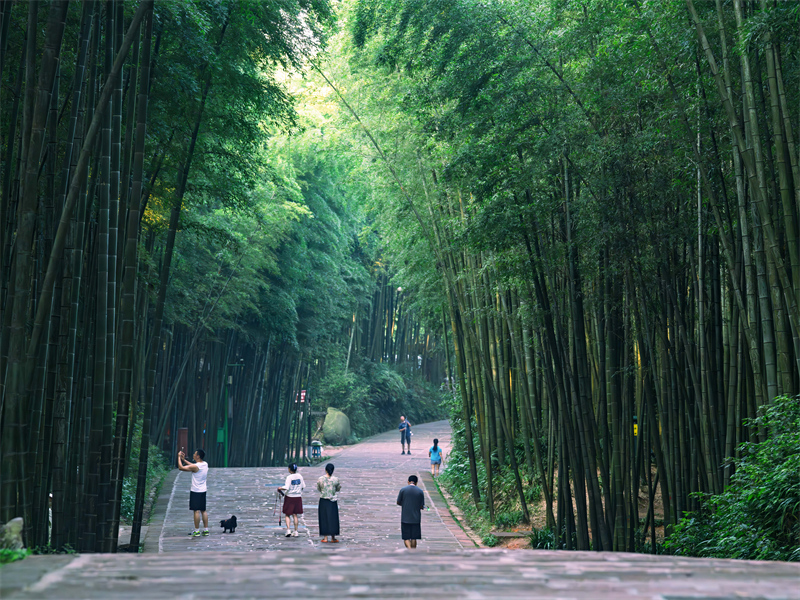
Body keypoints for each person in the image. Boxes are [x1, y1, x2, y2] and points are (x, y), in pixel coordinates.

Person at [178, 449, 209, 537]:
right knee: (203, 510)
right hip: (203, 490)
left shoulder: (196, 466)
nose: (193, 454)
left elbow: (181, 468)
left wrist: (179, 458)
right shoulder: (205, 464)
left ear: (198, 456)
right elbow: (194, 466)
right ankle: (206, 529)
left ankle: (197, 530)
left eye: (195, 454)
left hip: (196, 490)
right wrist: (184, 460)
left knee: (196, 511)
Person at [396, 474, 425, 549]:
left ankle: (409, 551)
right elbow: (421, 506)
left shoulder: (403, 490)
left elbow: (398, 502)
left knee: (406, 537)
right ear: (416, 482)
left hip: (405, 518)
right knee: (414, 538)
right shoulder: (420, 491)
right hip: (416, 518)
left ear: (408, 481)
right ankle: (413, 552)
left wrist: (405, 504)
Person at [278, 463, 305, 537]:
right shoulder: (300, 476)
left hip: (289, 497)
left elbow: (287, 487)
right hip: (298, 497)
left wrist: (280, 488)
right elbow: (303, 486)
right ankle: (296, 531)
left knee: (287, 514)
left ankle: (288, 530)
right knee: (295, 514)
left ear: (289, 469)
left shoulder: (289, 477)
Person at [316, 463, 341, 543]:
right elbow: (338, 489)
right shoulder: (336, 479)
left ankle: (325, 538)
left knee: (324, 518)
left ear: (325, 470)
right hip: (332, 501)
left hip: (323, 500)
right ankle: (333, 537)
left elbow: (319, 488)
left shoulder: (320, 479)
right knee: (333, 519)